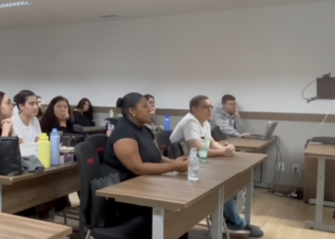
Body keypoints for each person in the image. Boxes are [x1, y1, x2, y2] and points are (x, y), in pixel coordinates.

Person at [171, 95, 262, 237]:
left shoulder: (205, 122)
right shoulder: (190, 122)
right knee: (222, 185)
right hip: (182, 170)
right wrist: (223, 152)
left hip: (198, 164)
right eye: (206, 107)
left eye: (211, 107)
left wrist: (227, 149)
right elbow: (199, 149)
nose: (210, 110)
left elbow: (212, 143)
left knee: (231, 181)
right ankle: (236, 223)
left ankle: (230, 219)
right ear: (194, 109)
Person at [102, 93, 189, 238]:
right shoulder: (123, 132)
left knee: (178, 211)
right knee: (170, 212)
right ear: (132, 111)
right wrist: (174, 167)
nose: (150, 109)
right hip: (125, 195)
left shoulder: (145, 130)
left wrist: (176, 162)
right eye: (145, 106)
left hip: (145, 186)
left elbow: (157, 157)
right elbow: (138, 168)